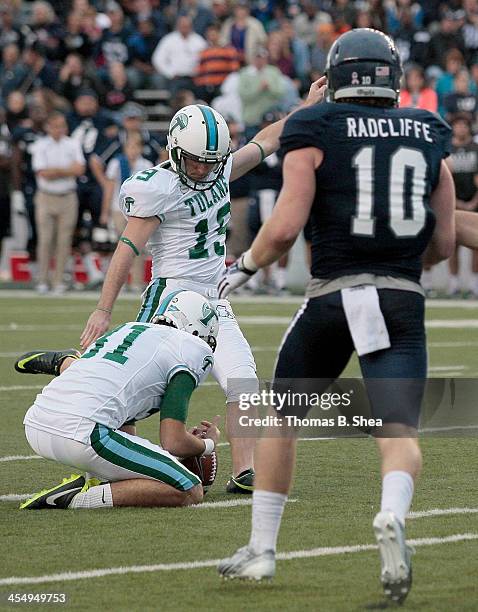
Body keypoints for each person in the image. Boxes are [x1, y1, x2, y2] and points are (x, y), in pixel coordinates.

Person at [217, 29, 455, 605]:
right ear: (392, 76)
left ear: (337, 74)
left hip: (334, 296)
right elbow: (443, 241)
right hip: (399, 298)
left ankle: (262, 550)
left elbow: (285, 225)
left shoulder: (314, 126)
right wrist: (393, 259)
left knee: (280, 414)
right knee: (398, 431)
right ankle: (392, 515)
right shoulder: (427, 131)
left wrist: (244, 267)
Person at [80, 80, 325, 494]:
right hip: (171, 296)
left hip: (215, 296)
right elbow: (126, 249)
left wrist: (305, 108)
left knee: (243, 380)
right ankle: (121, 462)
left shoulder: (220, 167)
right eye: (195, 161)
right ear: (176, 151)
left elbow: (267, 140)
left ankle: (244, 470)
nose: (203, 169)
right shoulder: (157, 187)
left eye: (211, 161)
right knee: (144, 388)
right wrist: (103, 309)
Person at [16, 290, 220, 510]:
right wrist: (207, 445)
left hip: (35, 426)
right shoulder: (191, 349)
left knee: (126, 470)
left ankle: (66, 361)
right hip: (83, 433)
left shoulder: (126, 330)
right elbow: (173, 442)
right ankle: (76, 498)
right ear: (197, 329)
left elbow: (124, 426)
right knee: (190, 489)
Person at [31, 111, 85, 294]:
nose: (58, 129)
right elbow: (42, 173)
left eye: (62, 126)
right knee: (45, 239)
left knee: (64, 240)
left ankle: (58, 279)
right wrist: (66, 170)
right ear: (48, 127)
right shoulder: (40, 145)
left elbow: (79, 169)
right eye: (55, 126)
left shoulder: (72, 143)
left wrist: (56, 172)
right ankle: (43, 279)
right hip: (46, 195)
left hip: (67, 196)